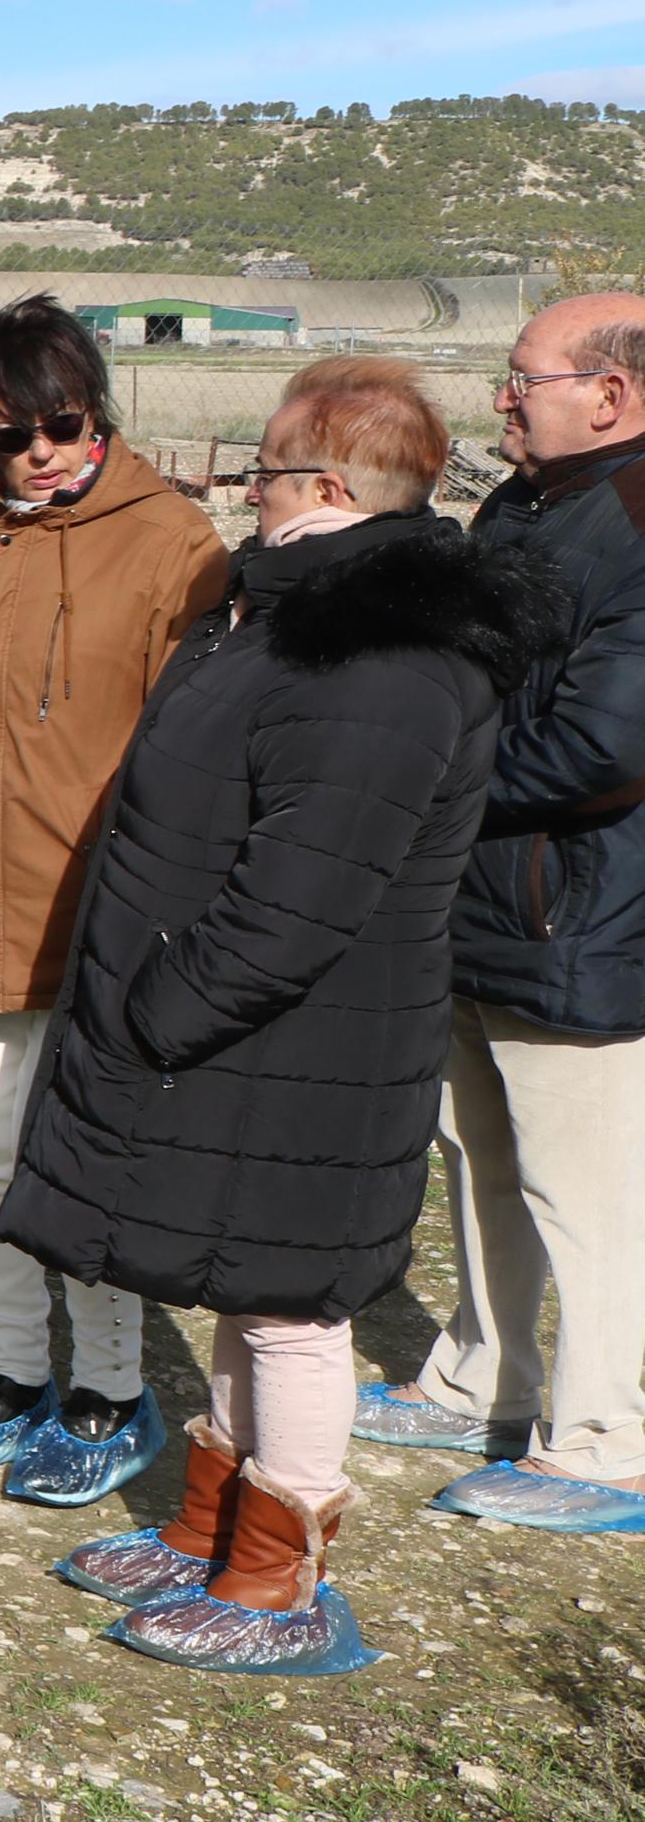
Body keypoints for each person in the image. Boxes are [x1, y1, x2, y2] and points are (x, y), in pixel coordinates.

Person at [3, 360, 545, 1671]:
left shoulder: (379, 657)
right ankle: (209, 1531)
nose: (244, 493)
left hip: (297, 1038)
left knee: (292, 1305)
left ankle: (277, 1582)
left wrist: (157, 1004)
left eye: (258, 472)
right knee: (238, 1286)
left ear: (318, 484)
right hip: (246, 1041)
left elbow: (305, 892)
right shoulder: (294, 617)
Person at [0, 294, 228, 1511]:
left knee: (83, 1165)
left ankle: (110, 1393)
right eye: (3, 434)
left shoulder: (174, 542)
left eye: (58, 423)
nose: (36, 454)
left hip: (102, 915)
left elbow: (197, 745)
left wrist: (142, 885)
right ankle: (12, 1373)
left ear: (95, 410)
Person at [362, 292, 645, 1535]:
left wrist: (421, 781)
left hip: (576, 911)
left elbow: (604, 746)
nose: (500, 398)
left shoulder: (635, 521)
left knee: (584, 1185)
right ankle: (482, 1377)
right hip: (479, 898)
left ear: (610, 393)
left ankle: (606, 1440)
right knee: (475, 1151)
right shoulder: (524, 502)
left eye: (521, 376)